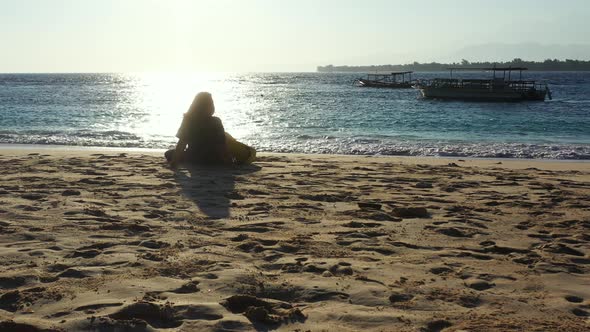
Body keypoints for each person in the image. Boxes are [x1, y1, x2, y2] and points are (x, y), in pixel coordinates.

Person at [165, 92, 230, 167]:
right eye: (211, 103)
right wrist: (227, 161)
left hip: (194, 157)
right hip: (213, 158)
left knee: (169, 153)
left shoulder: (188, 120)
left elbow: (182, 142)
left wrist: (174, 161)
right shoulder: (216, 121)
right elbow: (221, 145)